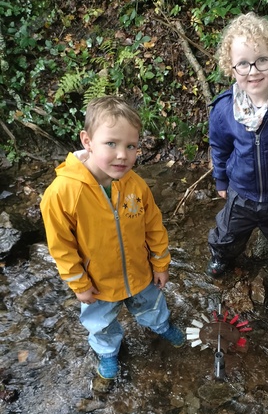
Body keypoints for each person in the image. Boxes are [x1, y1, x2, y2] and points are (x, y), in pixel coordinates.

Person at [40, 96, 185, 381]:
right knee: (101, 324)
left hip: (139, 272)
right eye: (111, 144)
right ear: (87, 140)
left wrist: (160, 263)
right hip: (98, 283)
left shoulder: (135, 184)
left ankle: (161, 325)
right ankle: (107, 352)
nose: (122, 155)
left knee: (153, 305)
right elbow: (61, 248)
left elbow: (154, 225)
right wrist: (80, 285)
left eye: (131, 146)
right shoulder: (62, 193)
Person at [206, 12, 268, 285]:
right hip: (241, 193)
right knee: (227, 233)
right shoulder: (223, 108)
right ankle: (222, 257)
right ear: (231, 68)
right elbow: (220, 146)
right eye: (243, 64)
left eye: (262, 60)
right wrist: (221, 179)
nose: (253, 71)